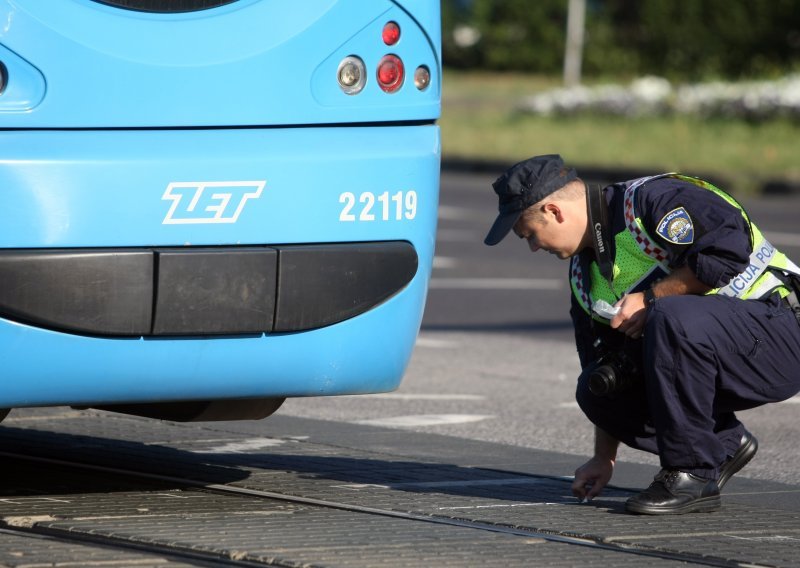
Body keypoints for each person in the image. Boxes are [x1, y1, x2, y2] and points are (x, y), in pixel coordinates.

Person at [484, 154, 800, 515]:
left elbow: (728, 251)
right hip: (717, 355)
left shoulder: (653, 201)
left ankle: (691, 474)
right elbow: (604, 366)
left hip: (780, 333)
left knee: (669, 315)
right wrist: (603, 458)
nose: (534, 248)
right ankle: (723, 445)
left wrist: (652, 298)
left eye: (530, 236)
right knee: (598, 386)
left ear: (555, 212)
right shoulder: (585, 282)